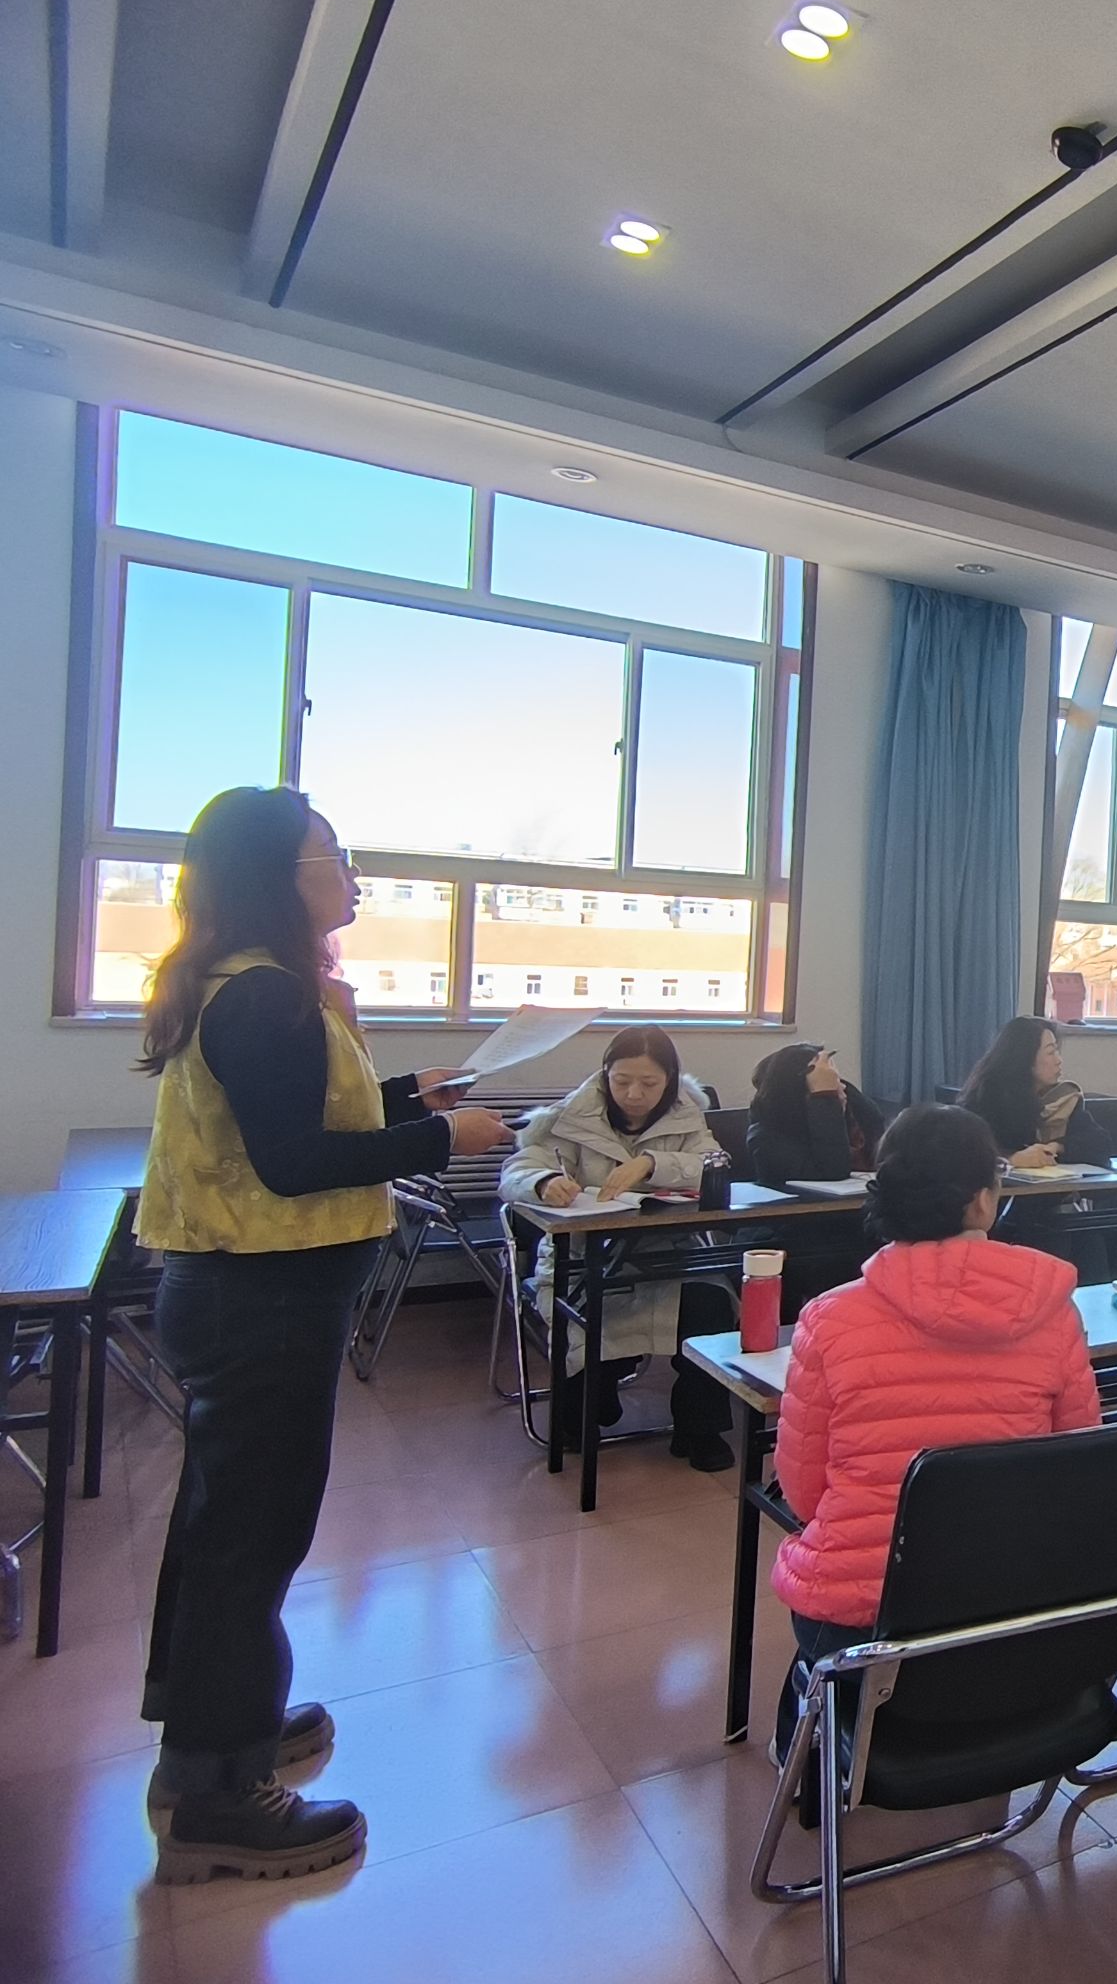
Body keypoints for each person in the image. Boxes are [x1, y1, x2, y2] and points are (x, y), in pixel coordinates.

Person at [133, 787, 513, 1883]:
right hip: (260, 1299)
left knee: (226, 1525)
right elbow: (294, 1162)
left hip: (249, 1293)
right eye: (331, 856)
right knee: (250, 1539)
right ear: (275, 875)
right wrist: (443, 1135)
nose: (350, 877)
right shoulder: (264, 995)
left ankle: (213, 1730)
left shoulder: (254, 985)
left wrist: (406, 1097)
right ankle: (217, 1796)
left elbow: (295, 1117)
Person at [770, 1103, 1102, 1718]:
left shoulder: (828, 1318)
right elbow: (1077, 1466)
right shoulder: (1056, 1313)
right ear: (983, 1201)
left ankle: (815, 1752)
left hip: (860, 1618)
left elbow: (805, 1489)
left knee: (821, 1664)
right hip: (1011, 1596)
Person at [500, 1027, 735, 1472]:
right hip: (585, 1259)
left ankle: (700, 1429)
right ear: (605, 1074)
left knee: (711, 1305)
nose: (633, 1094)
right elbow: (517, 1170)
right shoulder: (569, 1117)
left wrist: (651, 1163)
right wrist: (544, 1181)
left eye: (649, 1083)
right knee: (578, 1416)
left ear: (670, 1081)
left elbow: (713, 1163)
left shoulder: (686, 1114)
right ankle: (595, 1395)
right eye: (622, 1081)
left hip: (667, 1256)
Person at [959, 1016, 1113, 1168]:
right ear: (1026, 1058)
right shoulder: (988, 1096)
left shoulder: (1062, 1098)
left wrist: (1058, 1146)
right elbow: (969, 1152)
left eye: (1057, 1051)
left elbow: (1101, 1144)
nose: (1059, 1060)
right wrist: (1012, 1159)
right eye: (1051, 1052)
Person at [745, 1043, 887, 1187]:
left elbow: (879, 1137)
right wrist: (824, 1096)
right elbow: (833, 1171)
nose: (842, 1087)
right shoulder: (765, 1137)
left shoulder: (849, 1112)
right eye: (828, 1082)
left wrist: (842, 1093)